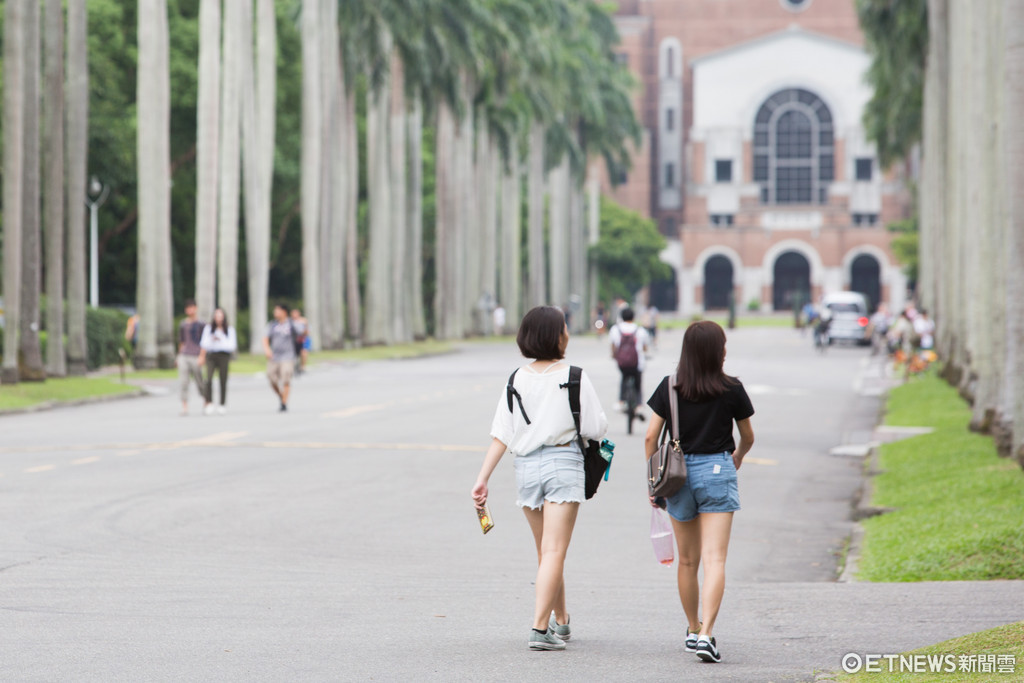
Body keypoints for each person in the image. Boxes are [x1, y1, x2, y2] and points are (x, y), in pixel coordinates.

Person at [471, 306, 608, 652]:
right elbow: (596, 427)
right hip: (563, 463)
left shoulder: (517, 378)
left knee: (546, 551)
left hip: (526, 467)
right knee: (554, 550)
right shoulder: (575, 376)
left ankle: (561, 619)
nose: (568, 333)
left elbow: (502, 433)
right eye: (564, 328)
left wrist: (482, 478)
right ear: (556, 336)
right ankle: (539, 628)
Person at [645, 320, 754, 663]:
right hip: (718, 469)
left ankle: (693, 628)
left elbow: (651, 437)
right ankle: (708, 634)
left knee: (688, 561)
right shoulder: (731, 388)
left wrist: (653, 480)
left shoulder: (671, 387)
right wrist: (737, 457)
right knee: (715, 559)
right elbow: (748, 435)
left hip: (678, 476)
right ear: (717, 351)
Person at [609, 307, 650, 412]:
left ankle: (621, 401)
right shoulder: (640, 330)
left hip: (622, 363)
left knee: (624, 377)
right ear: (633, 317)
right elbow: (645, 348)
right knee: (638, 382)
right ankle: (639, 405)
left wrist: (614, 355)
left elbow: (613, 346)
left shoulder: (615, 329)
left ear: (622, 317)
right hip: (637, 363)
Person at [200, 307, 237, 415]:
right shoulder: (208, 329)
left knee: (223, 379)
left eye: (220, 316)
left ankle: (222, 403)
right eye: (216, 316)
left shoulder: (229, 330)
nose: (218, 318)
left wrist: (221, 340)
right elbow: (204, 344)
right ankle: (209, 402)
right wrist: (212, 339)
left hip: (224, 356)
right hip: (211, 355)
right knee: (209, 379)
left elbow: (231, 346)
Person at [176, 299, 208, 416]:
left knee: (200, 381)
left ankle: (206, 401)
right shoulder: (183, 324)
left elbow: (205, 342)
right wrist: (178, 356)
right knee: (183, 381)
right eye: (188, 308)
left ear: (196, 308)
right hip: (184, 355)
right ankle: (185, 406)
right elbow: (182, 341)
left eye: (192, 307)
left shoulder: (202, 324)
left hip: (196, 355)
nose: (190, 310)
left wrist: (202, 356)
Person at [263, 304, 297, 412]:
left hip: (288, 356)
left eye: (277, 311)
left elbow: (303, 333)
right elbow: (265, 338)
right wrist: (267, 350)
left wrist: (302, 322)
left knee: (286, 378)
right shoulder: (272, 325)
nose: (275, 313)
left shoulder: (291, 324)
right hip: (275, 356)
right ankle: (282, 396)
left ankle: (284, 403)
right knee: (271, 378)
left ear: (284, 312)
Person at [290, 308, 310, 374]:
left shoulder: (303, 321)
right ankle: (293, 366)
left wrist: (305, 325)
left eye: (296, 313)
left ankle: (303, 366)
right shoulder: (289, 321)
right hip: (293, 340)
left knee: (304, 352)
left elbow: (307, 332)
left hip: (303, 339)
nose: (294, 315)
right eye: (293, 313)